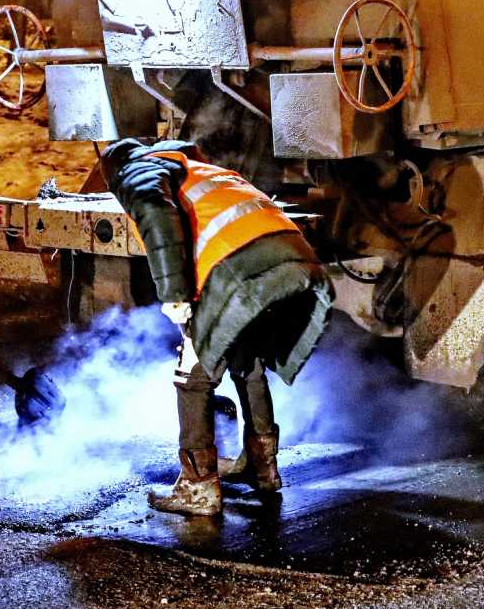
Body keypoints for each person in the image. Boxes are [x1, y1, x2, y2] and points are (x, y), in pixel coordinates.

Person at [100, 138, 333, 517]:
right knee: (248, 359)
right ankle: (263, 468)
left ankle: (198, 486)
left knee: (193, 373)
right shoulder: (205, 172)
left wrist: (175, 294)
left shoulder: (138, 170)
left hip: (240, 270)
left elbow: (157, 217)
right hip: (295, 260)